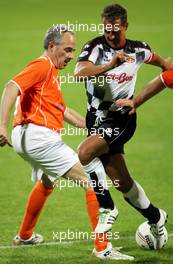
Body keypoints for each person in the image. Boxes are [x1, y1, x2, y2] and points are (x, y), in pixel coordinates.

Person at [0, 24, 135, 260]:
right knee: (94, 181)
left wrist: (96, 126)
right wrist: (1, 125)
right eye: (68, 50)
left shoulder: (50, 74)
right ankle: (102, 248)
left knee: (48, 180)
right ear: (52, 47)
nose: (72, 56)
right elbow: (11, 87)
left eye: (73, 51)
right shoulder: (42, 66)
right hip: (38, 137)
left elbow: (63, 111)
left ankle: (25, 235)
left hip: (27, 139)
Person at [74, 3, 172, 252]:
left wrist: (165, 74)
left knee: (85, 152)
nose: (110, 35)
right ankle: (156, 217)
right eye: (107, 29)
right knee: (121, 180)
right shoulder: (95, 46)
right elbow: (79, 72)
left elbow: (165, 65)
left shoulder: (139, 49)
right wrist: (110, 65)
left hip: (122, 117)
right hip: (95, 118)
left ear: (126, 26)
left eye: (116, 30)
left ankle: (106, 207)